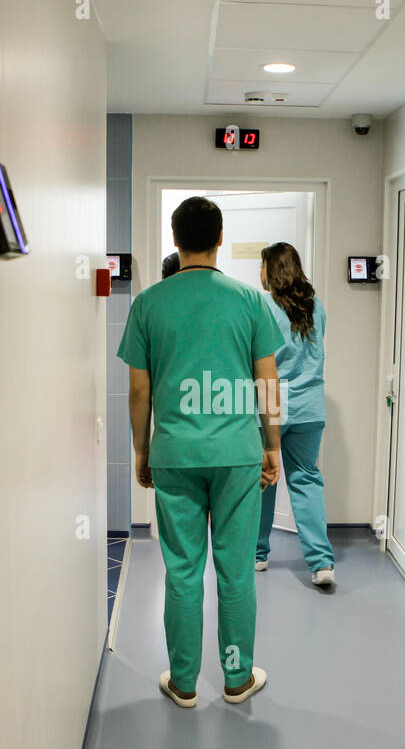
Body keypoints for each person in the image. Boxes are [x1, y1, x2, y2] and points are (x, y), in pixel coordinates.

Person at [117, 196, 285, 707]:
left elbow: (139, 391)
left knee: (183, 570)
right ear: (217, 239)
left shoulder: (148, 303)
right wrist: (271, 444)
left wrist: (142, 451)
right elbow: (267, 380)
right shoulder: (249, 301)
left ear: (175, 240)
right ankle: (236, 680)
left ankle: (184, 683)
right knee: (236, 571)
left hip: (174, 453)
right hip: (237, 454)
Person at [255, 242, 335, 588]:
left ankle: (256, 555)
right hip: (310, 408)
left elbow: (259, 360)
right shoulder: (316, 307)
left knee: (262, 479)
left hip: (272, 408)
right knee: (306, 480)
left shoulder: (263, 308)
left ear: (272, 270)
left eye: (262, 266)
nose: (258, 273)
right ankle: (321, 564)